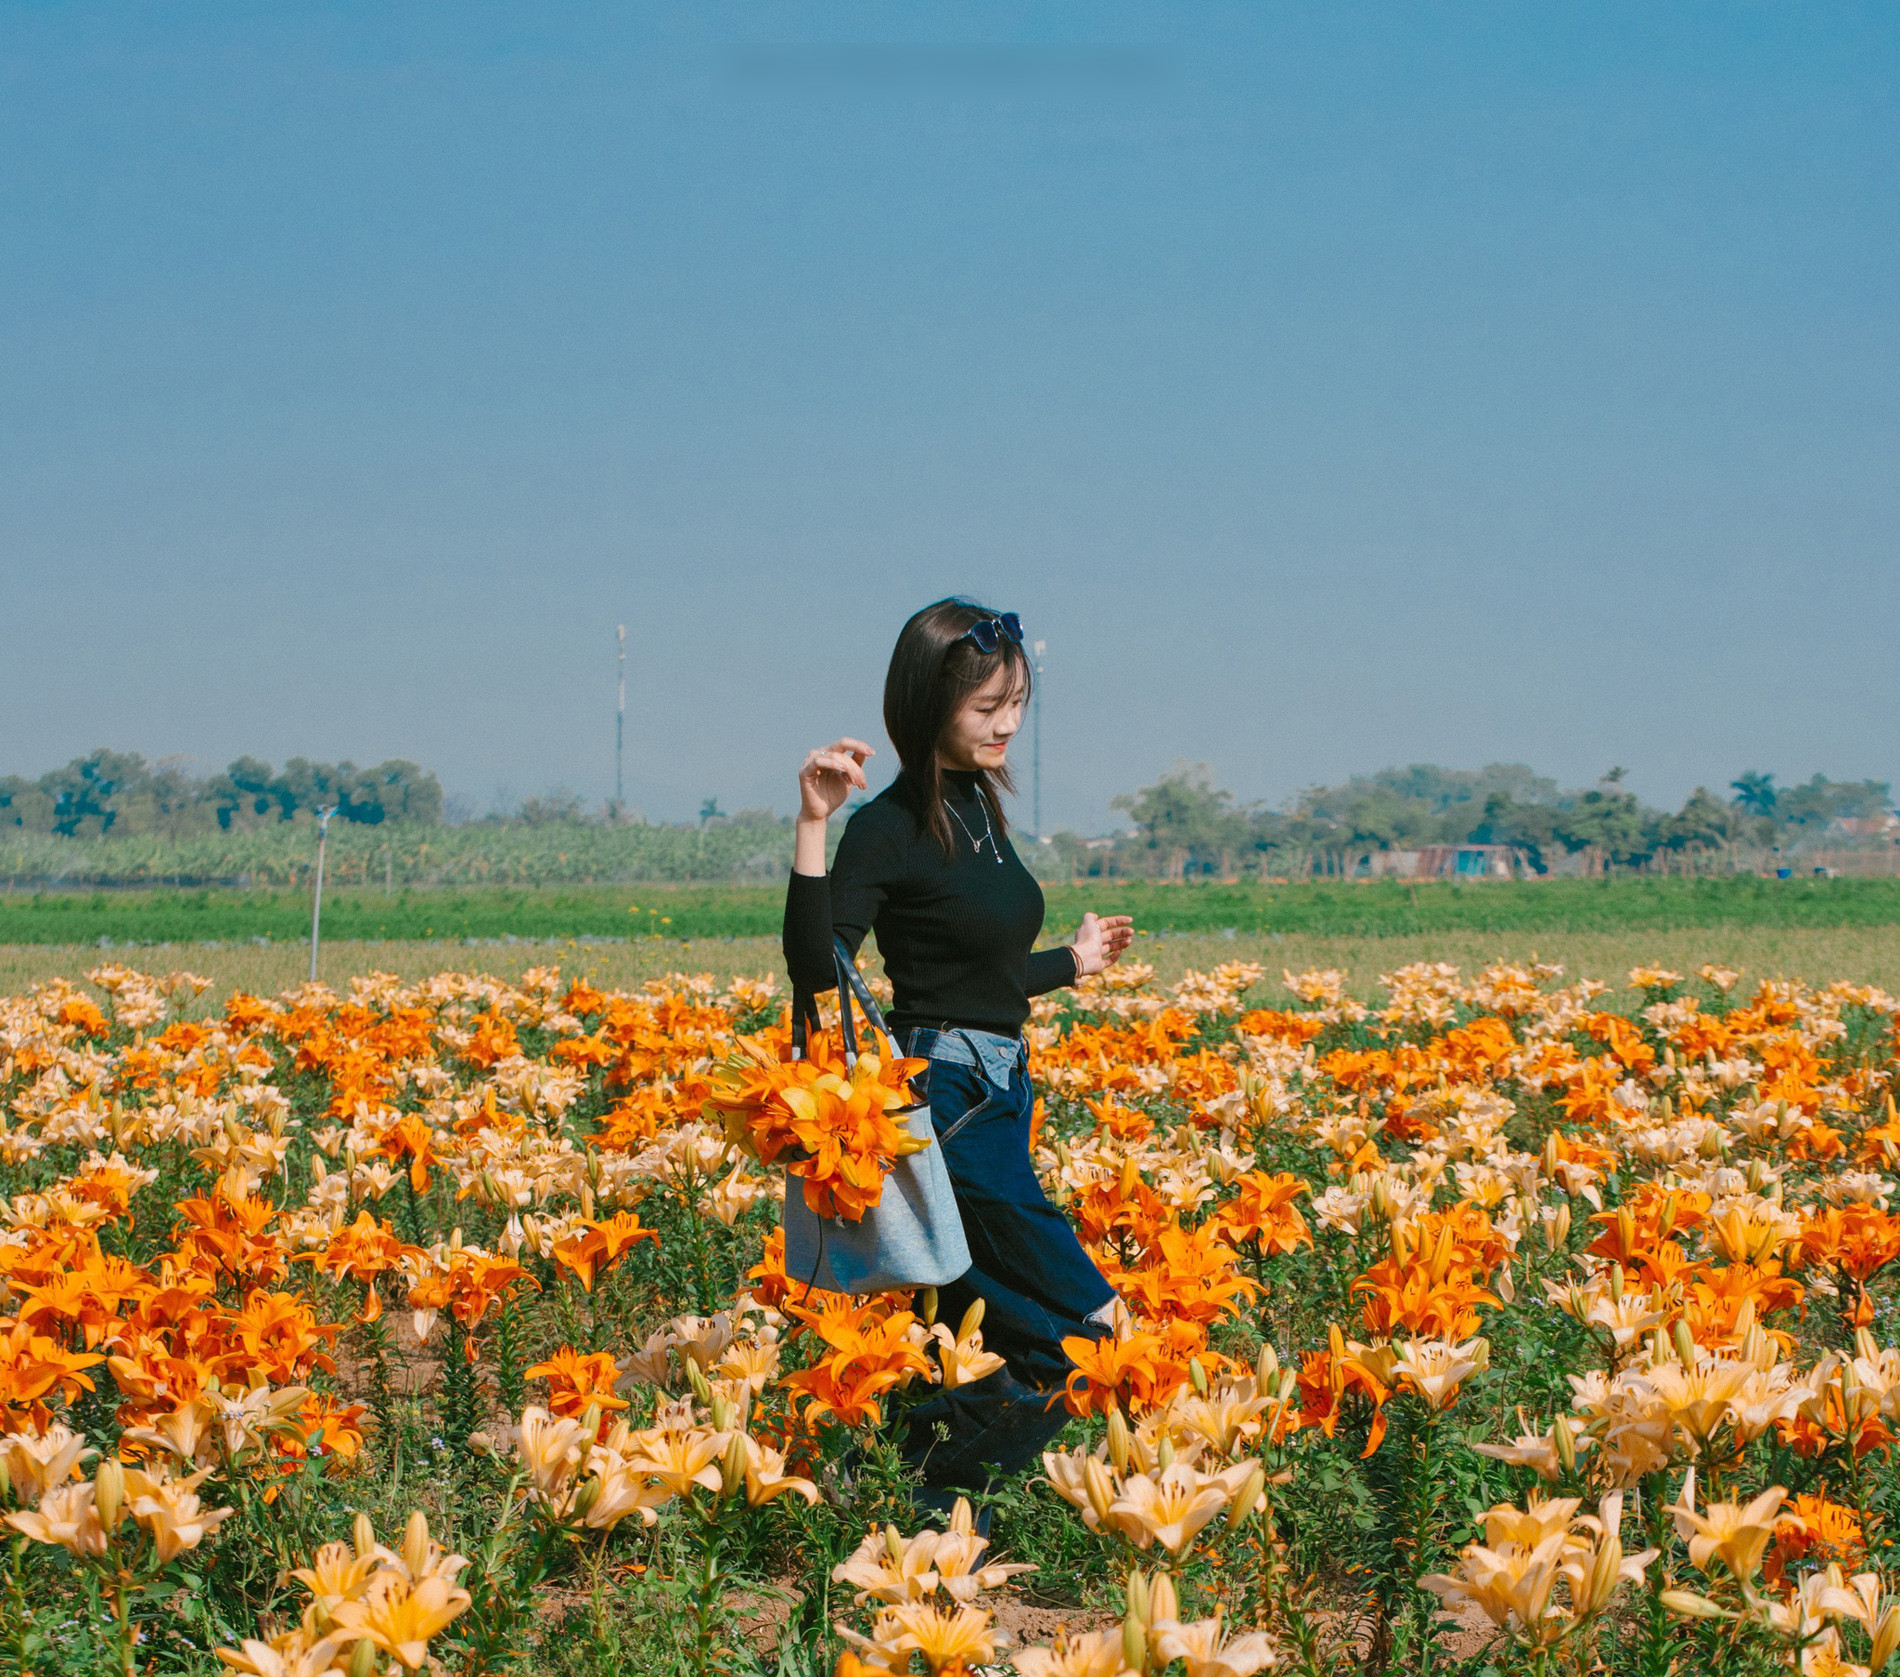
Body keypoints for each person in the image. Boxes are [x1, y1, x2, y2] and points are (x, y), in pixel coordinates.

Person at [782, 596, 1134, 1511]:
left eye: (1017, 701)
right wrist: (813, 822)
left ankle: (904, 1491)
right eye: (988, 708)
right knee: (1085, 1319)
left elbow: (979, 965)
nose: (1008, 723)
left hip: (1000, 1088)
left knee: (969, 1325)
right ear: (928, 702)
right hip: (945, 1097)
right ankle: (918, 1490)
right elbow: (820, 968)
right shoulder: (887, 826)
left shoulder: (978, 805)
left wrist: (1076, 961)